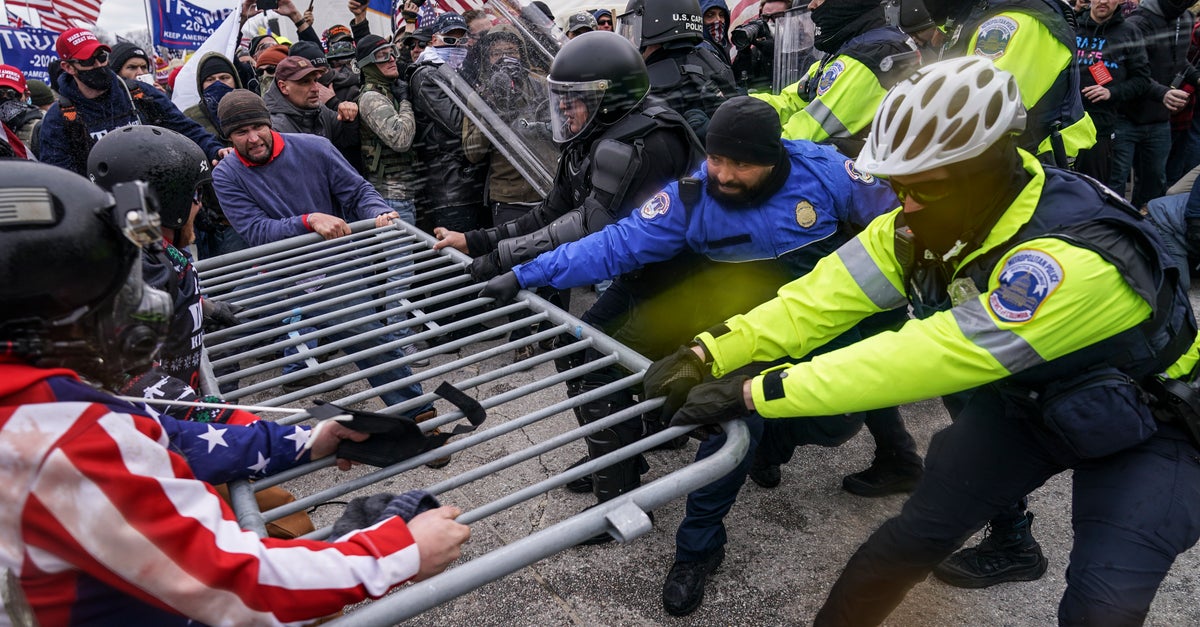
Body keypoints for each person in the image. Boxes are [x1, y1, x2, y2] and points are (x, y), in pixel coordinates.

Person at [644, 57, 1200, 626]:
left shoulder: (1070, 259)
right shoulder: (928, 218)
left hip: (1154, 421)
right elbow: (817, 300)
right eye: (896, 186)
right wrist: (708, 351)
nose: (901, 205)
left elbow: (928, 355)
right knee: (900, 547)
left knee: (1100, 605)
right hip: (1031, 400)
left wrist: (755, 393)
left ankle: (1019, 547)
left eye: (922, 188)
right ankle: (1012, 546)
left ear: (985, 169)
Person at [0, 160, 472, 625]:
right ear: (46, 319)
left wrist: (307, 440)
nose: (133, 319)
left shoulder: (40, 404)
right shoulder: (55, 443)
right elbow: (230, 585)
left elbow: (167, 436)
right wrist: (396, 553)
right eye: (113, 300)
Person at [482, 97, 903, 614]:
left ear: (775, 157)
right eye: (717, 160)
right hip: (741, 326)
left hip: (827, 314)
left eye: (742, 164)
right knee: (732, 417)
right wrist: (526, 272)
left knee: (834, 425)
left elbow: (899, 233)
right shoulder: (691, 195)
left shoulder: (830, 174)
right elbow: (614, 244)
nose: (724, 174)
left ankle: (778, 446)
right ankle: (698, 549)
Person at [848, 0, 1100, 580]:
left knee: (986, 395)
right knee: (972, 387)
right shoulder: (1006, 16)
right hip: (983, 212)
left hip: (994, 221)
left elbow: (969, 114)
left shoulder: (1008, 21)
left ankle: (1014, 539)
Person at [210, 90, 444, 442]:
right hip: (276, 268)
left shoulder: (313, 147)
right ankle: (215, 432)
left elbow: (357, 191)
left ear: (269, 121)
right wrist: (308, 220)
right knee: (222, 337)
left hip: (331, 263)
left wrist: (378, 211)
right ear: (228, 137)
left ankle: (419, 420)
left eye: (258, 126)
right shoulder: (227, 174)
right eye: (241, 132)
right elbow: (256, 231)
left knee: (374, 343)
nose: (253, 137)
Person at [38, 28, 228, 175]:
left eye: (102, 57)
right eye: (88, 61)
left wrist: (215, 150)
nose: (99, 65)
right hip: (104, 205)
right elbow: (60, 173)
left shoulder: (139, 93)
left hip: (160, 188)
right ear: (68, 67)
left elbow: (184, 128)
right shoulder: (60, 117)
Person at [754, 0, 916, 156]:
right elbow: (789, 101)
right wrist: (736, 108)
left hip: (867, 179)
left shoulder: (871, 55)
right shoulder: (845, 50)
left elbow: (803, 136)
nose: (811, 6)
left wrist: (747, 152)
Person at [407, 12, 487, 232]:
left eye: (462, 40)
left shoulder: (463, 73)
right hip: (450, 190)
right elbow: (456, 123)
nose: (457, 45)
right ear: (434, 40)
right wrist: (485, 102)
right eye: (450, 39)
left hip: (473, 184)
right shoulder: (426, 75)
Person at [617, 0, 739, 141]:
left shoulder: (648, 83)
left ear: (654, 27)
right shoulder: (710, 61)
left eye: (635, 27)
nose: (632, 38)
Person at [1115, 0, 1198, 206]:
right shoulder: (1138, 22)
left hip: (1160, 119)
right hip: (1125, 118)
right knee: (1115, 185)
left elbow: (1177, 60)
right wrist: (1162, 93)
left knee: (1154, 186)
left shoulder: (1186, 18)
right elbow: (1130, 70)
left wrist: (1196, 77)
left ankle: (1147, 232)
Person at [1073, 0, 1152, 184]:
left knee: (1092, 186)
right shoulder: (1072, 27)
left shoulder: (1130, 32)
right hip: (1065, 121)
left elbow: (1142, 80)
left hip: (1100, 126)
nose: (1103, 1)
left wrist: (1112, 92)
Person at [264, 55, 362, 173]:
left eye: (315, 80)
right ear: (283, 87)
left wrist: (349, 117)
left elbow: (348, 141)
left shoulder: (320, 110)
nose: (315, 88)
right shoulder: (274, 127)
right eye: (305, 82)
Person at [730, 0, 789, 92]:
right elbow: (741, 83)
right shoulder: (758, 51)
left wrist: (776, 53)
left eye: (777, 17)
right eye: (765, 17)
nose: (770, 22)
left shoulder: (801, 45)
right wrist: (744, 53)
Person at [0, 64, 44, 149]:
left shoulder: (40, 129)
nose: (4, 99)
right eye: (0, 94)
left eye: (12, 94)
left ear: (26, 96)